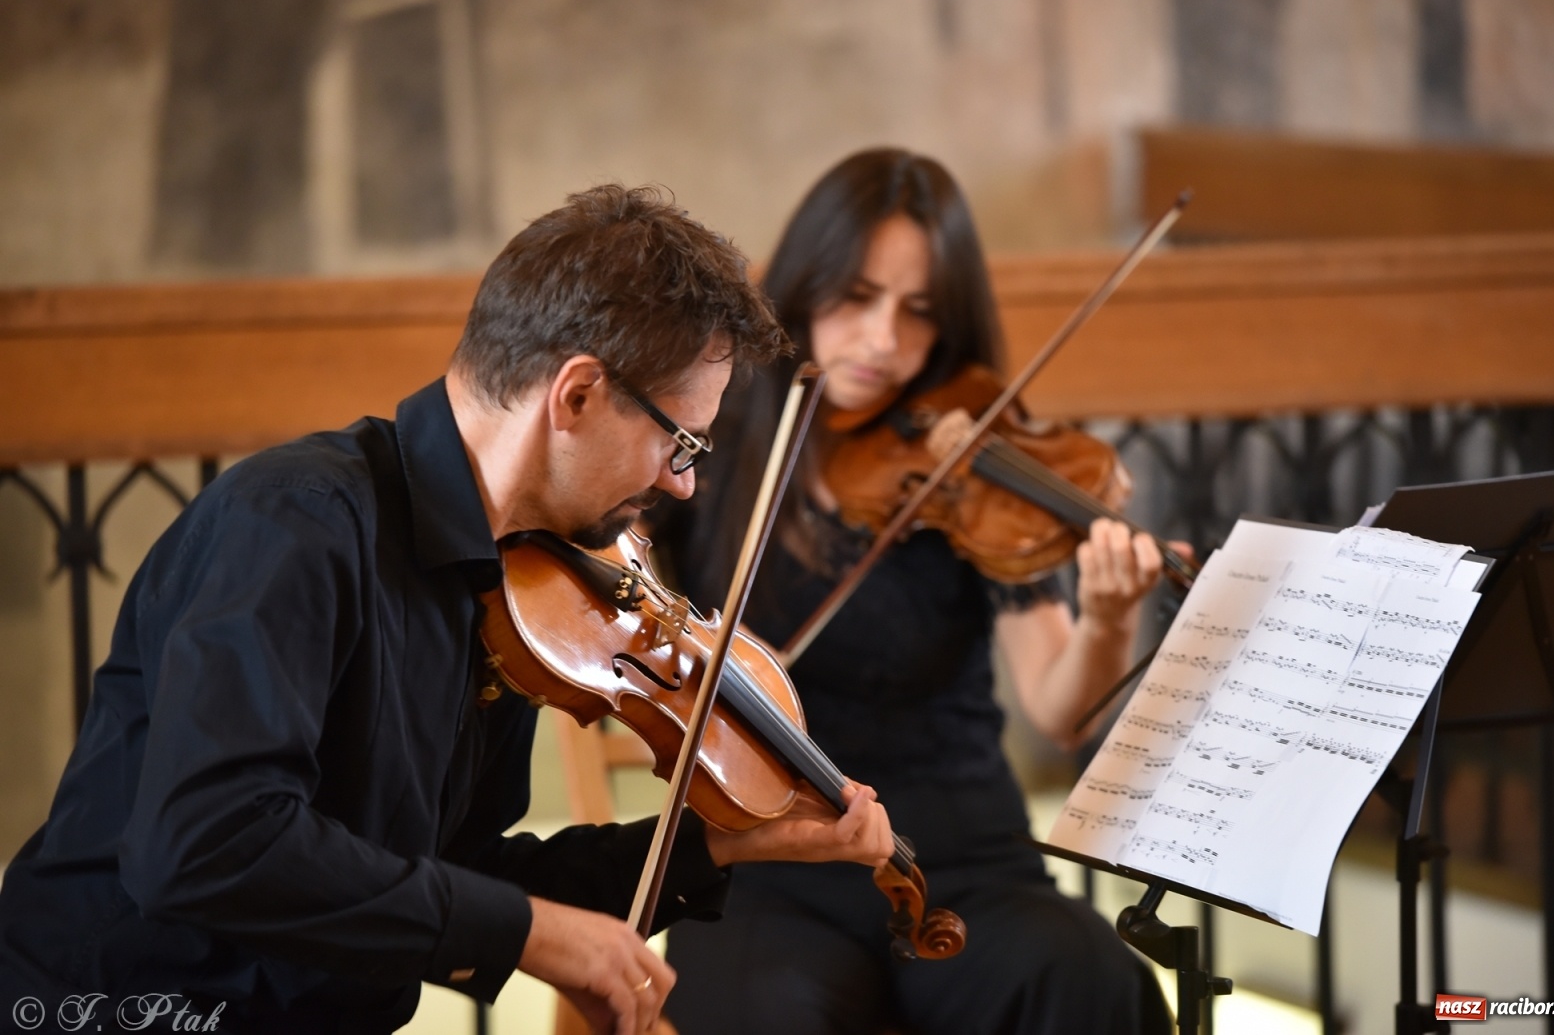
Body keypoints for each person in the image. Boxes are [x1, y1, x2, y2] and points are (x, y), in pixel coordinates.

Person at [0, 185, 895, 1035]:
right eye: (681, 440)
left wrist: (717, 847)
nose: (684, 483)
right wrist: (528, 934)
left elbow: (452, 875)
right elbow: (204, 842)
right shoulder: (295, 524)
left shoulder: (515, 583)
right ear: (578, 394)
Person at [653, 149, 1179, 1035]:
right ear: (806, 286)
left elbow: (1061, 712)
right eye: (857, 298)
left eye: (918, 311)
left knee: (1085, 978)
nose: (883, 341)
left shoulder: (969, 457)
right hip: (768, 866)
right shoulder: (714, 440)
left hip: (962, 862)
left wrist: (1110, 617)